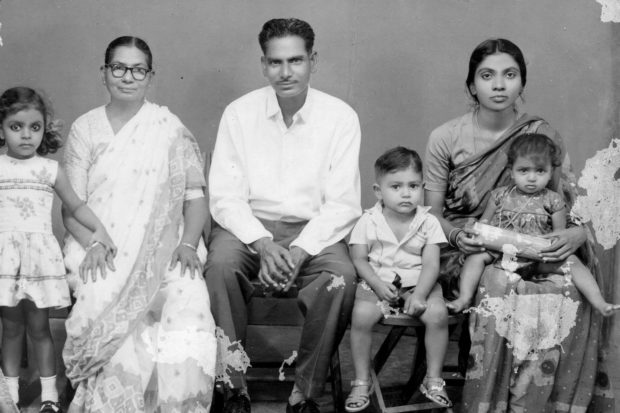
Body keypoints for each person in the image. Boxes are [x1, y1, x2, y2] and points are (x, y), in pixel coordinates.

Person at [424, 38, 614, 411]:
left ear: (522, 83)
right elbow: (431, 216)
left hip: (534, 242)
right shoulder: (445, 137)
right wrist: (459, 236)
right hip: (469, 247)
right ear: (471, 84)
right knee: (498, 281)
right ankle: (489, 400)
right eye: (487, 75)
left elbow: (568, 204)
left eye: (509, 75)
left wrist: (575, 233)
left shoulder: (542, 136)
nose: (498, 85)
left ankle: (543, 401)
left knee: (569, 285)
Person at [206, 18, 361, 413]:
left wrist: (301, 251)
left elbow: (343, 204)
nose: (286, 72)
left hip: (314, 232)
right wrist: (261, 241)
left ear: (314, 61)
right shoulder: (239, 113)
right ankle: (232, 387)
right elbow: (225, 196)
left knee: (339, 279)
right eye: (275, 62)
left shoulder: (340, 117)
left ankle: (305, 392)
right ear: (263, 65)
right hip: (247, 230)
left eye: (296, 60)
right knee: (220, 267)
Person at [61, 36, 216, 412]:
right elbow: (71, 207)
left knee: (189, 296)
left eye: (138, 69)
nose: (127, 77)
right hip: (99, 241)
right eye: (118, 67)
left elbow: (195, 199)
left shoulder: (167, 127)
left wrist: (188, 244)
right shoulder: (86, 128)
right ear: (104, 73)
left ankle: (174, 405)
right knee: (102, 293)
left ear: (150, 76)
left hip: (168, 241)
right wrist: (94, 243)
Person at [0, 87, 116, 413]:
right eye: (16, 126)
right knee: (10, 329)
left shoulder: (50, 170)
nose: (26, 135)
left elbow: (77, 207)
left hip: (37, 262)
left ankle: (50, 396)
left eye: (34, 127)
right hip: (6, 261)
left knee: (39, 328)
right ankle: (9, 396)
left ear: (44, 129)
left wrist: (100, 231)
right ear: (1, 128)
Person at [448, 133, 617, 316]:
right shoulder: (498, 196)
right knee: (475, 258)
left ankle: (599, 302)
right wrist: (473, 231)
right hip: (502, 254)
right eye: (524, 170)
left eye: (540, 171)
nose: (531, 178)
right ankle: (464, 298)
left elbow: (558, 236)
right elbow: (484, 225)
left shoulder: (553, 201)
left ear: (551, 172)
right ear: (511, 171)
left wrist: (547, 248)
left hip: (537, 258)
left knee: (573, 262)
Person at [345, 147, 451, 412]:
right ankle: (360, 380)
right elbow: (359, 258)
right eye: (396, 186)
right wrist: (377, 285)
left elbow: (431, 263)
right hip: (377, 281)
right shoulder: (368, 221)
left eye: (413, 185)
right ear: (378, 191)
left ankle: (434, 380)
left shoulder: (428, 222)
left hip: (419, 282)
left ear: (422, 187)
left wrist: (420, 295)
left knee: (437, 315)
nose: (406, 193)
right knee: (361, 316)